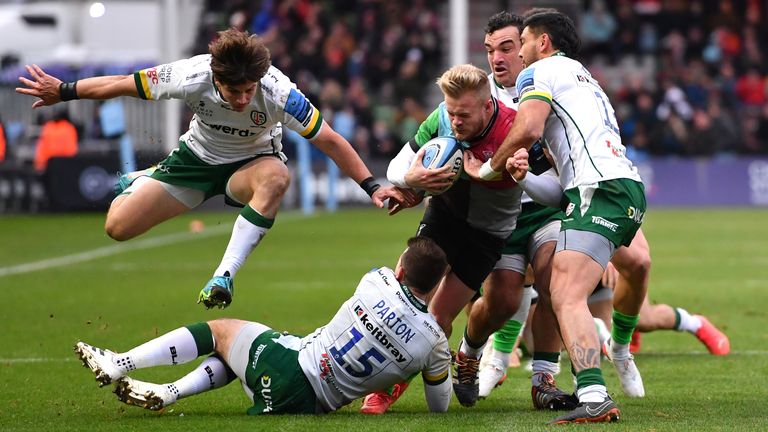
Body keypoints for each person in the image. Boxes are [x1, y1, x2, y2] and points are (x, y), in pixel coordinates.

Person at [16, 28, 404, 309]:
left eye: (248, 90)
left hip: (251, 165)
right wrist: (64, 91)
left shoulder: (279, 92)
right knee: (117, 227)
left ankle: (224, 276)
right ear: (216, 78)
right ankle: (149, 175)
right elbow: (122, 83)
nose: (242, 99)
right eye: (234, 91)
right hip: (196, 160)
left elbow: (330, 140)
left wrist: (372, 186)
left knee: (277, 178)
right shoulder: (192, 75)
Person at [465, 10, 648, 424]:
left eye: (523, 43)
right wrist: (523, 176)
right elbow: (558, 191)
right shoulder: (582, 78)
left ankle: (596, 391)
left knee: (565, 294)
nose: (521, 55)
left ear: (542, 43)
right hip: (620, 190)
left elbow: (527, 127)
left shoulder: (541, 71)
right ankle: (595, 388)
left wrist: (488, 169)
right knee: (568, 289)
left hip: (599, 191)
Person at [74, 236, 452, 414]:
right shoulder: (434, 342)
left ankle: (119, 362)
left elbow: (394, 275)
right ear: (436, 285)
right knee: (238, 354)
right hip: (313, 406)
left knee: (220, 330)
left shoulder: (377, 279)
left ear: (400, 268)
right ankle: (169, 391)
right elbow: (439, 405)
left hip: (293, 369)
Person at [360, 63, 523, 413]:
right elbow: (396, 167)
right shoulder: (442, 118)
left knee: (438, 318)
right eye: (451, 112)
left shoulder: (514, 127)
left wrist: (501, 170)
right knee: (404, 302)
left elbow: (548, 183)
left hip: (489, 233)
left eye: (463, 114)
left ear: (487, 105)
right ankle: (387, 385)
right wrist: (413, 177)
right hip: (444, 218)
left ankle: (466, 357)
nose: (456, 121)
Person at [473, 11, 570, 409]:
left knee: (555, 284)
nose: (497, 57)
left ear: (528, 47)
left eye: (508, 47)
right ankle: (474, 353)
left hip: (546, 206)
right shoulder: (479, 97)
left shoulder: (551, 86)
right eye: (490, 49)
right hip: (499, 211)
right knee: (501, 302)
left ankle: (543, 380)